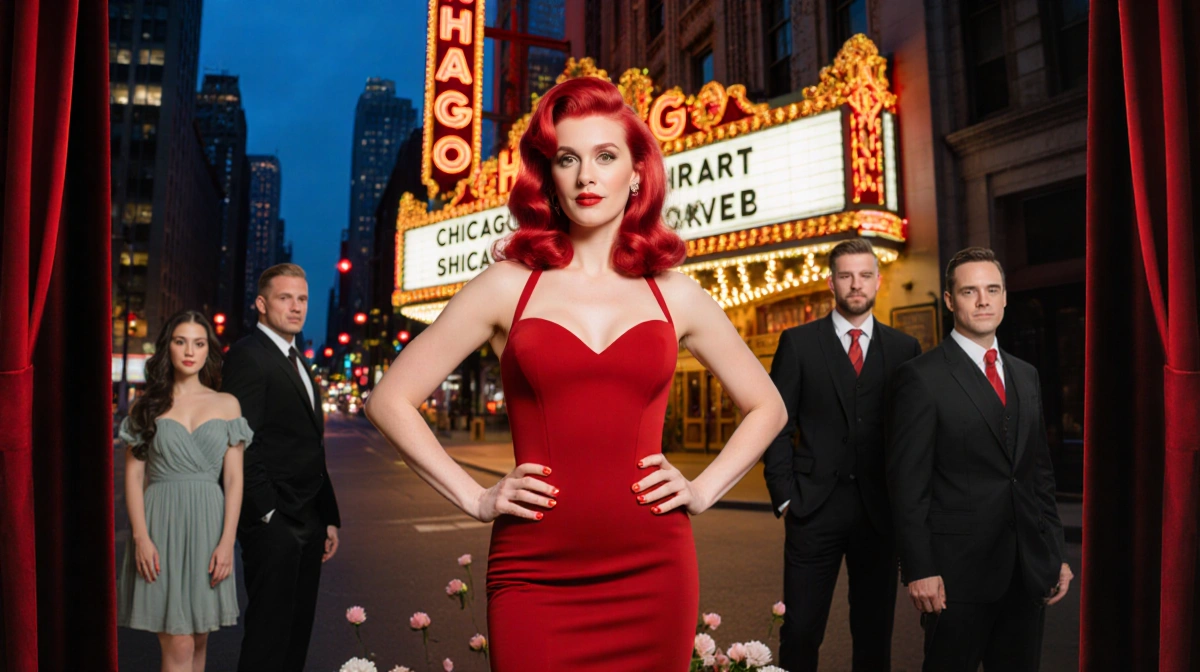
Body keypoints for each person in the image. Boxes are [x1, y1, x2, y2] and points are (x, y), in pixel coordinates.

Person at [364, 76, 787, 671]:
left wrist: (701, 489)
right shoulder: (508, 284)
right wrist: (477, 497)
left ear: (637, 172)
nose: (587, 175)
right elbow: (390, 400)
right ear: (550, 176)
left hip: (655, 571)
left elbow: (768, 406)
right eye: (569, 158)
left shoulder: (676, 294)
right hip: (534, 571)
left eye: (606, 156)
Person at [887, 247, 1073, 671]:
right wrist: (919, 568)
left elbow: (1037, 473)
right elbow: (907, 485)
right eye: (970, 291)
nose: (983, 300)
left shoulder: (1025, 374)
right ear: (951, 300)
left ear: (1006, 297)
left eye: (992, 290)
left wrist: (1054, 553)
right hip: (955, 578)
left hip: (1026, 572)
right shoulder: (920, 377)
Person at [762, 238, 922, 672]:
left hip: (878, 512)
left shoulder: (904, 350)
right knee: (800, 630)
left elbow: (914, 438)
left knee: (874, 634)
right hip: (813, 507)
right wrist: (785, 494)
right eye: (846, 276)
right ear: (831, 282)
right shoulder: (798, 343)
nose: (856, 284)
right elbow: (776, 420)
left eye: (865, 275)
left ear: (877, 280)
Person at [223, 263, 341, 672]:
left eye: (303, 299)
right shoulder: (247, 356)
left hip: (308, 518)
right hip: (274, 525)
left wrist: (326, 517)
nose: (296, 307)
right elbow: (240, 442)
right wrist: (267, 513)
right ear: (261, 303)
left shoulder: (297, 359)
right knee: (268, 639)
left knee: (296, 634)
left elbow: (311, 446)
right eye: (284, 297)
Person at [117, 310, 250, 672]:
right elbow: (133, 477)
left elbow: (235, 479)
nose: (189, 351)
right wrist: (141, 537)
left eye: (199, 342)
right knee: (178, 641)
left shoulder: (227, 404)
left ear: (209, 350)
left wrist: (227, 541)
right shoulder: (146, 407)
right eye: (180, 341)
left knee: (199, 639)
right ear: (167, 348)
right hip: (161, 525)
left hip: (210, 524)